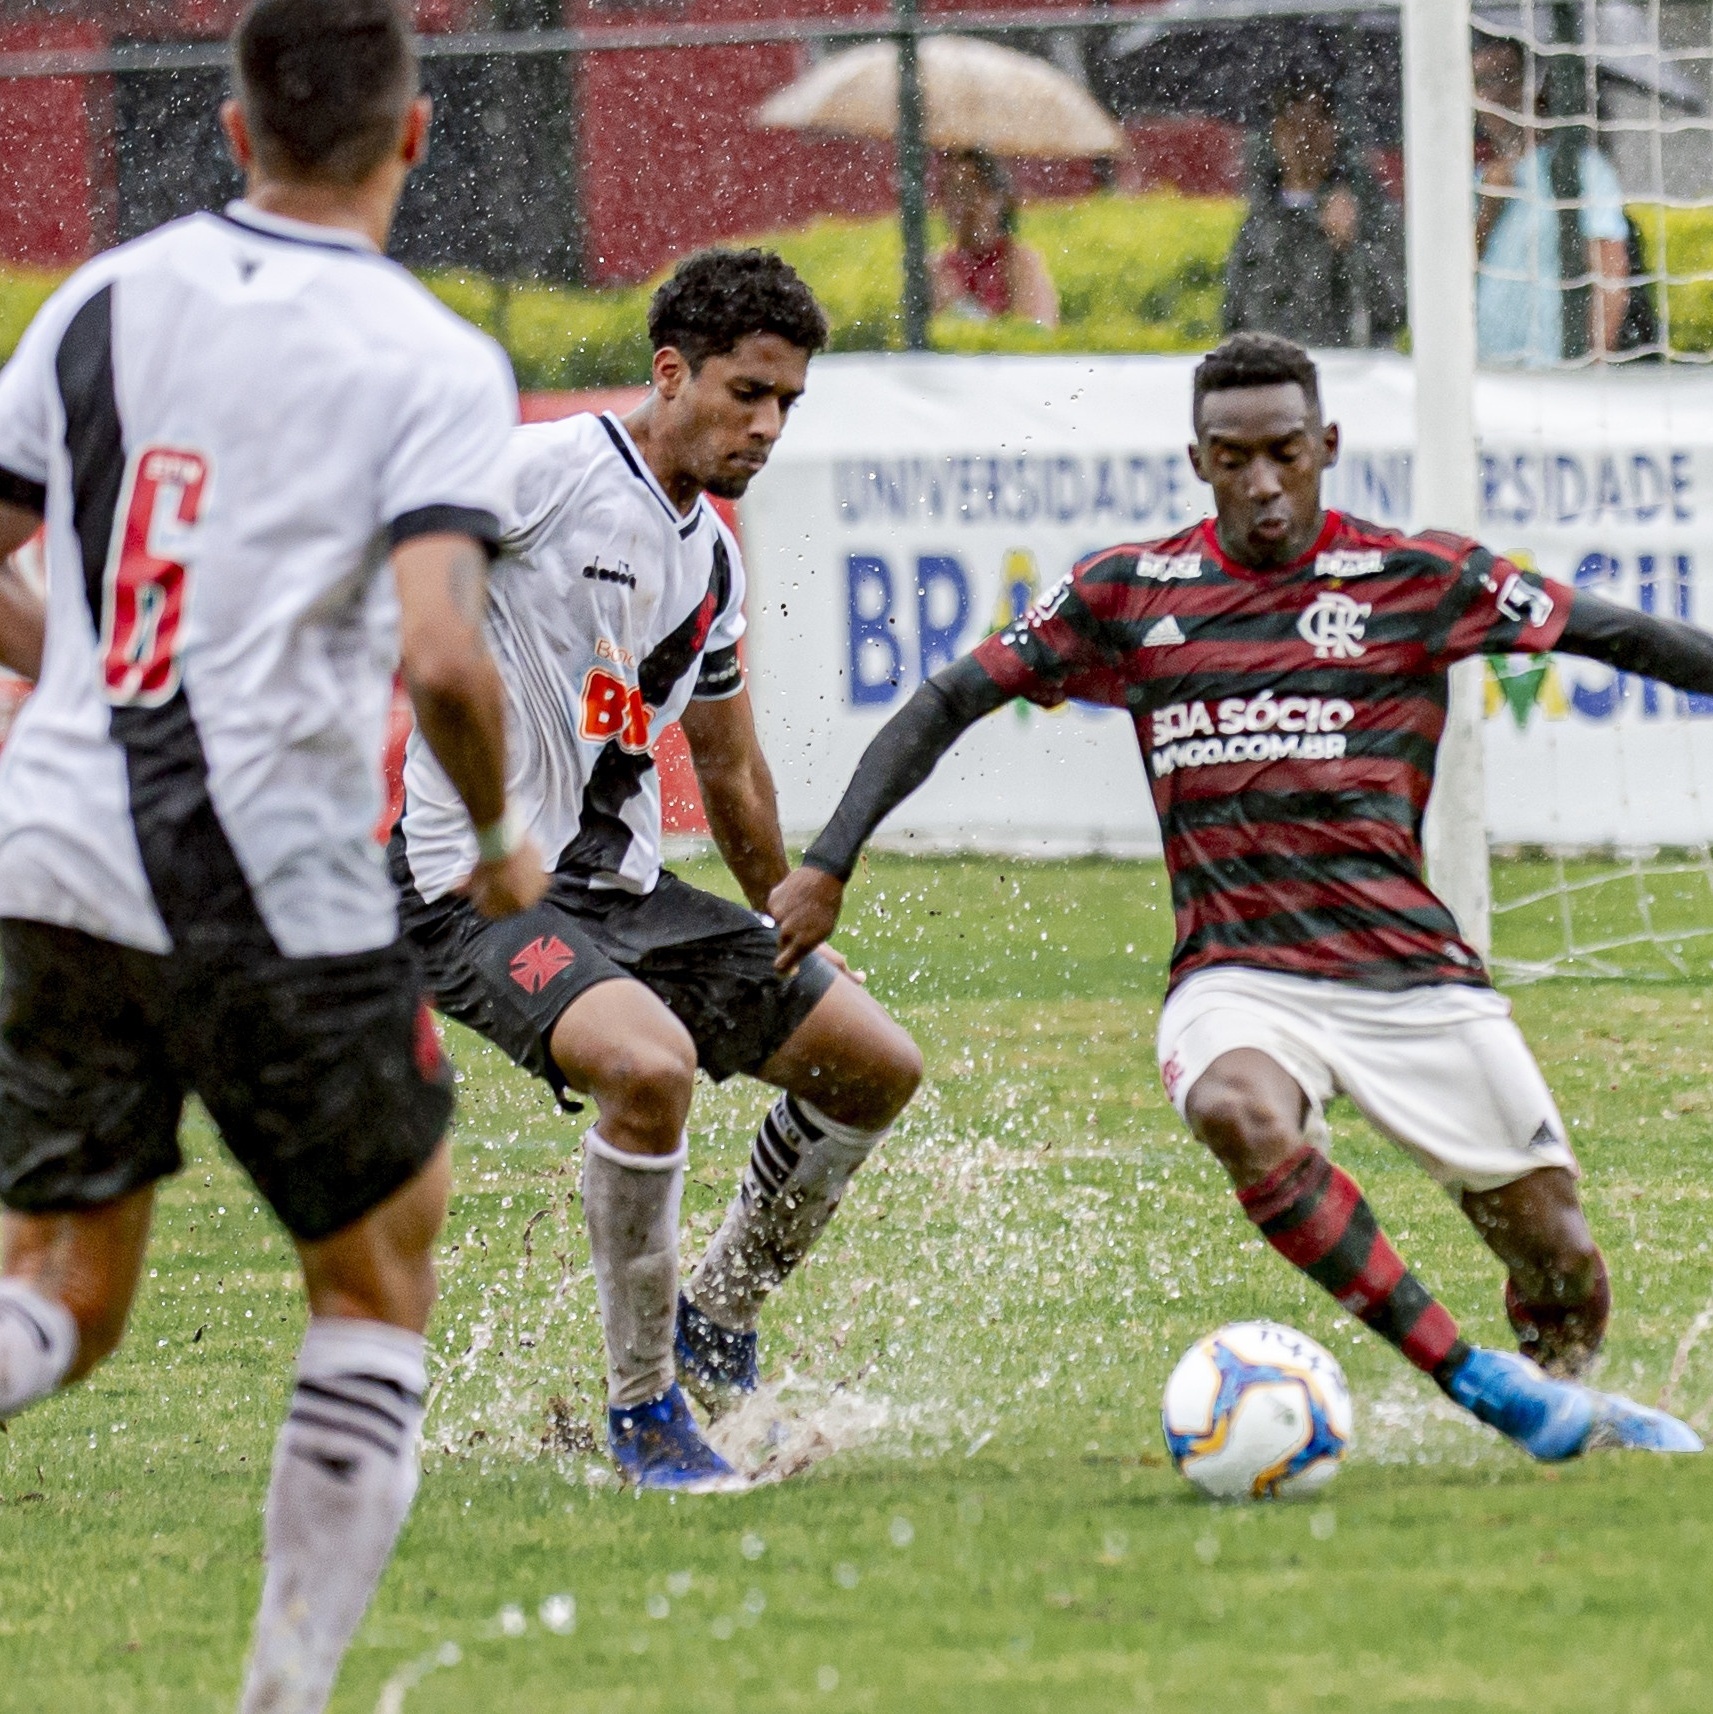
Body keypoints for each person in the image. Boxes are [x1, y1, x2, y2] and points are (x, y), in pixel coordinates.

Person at [769, 329, 1713, 1463]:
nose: (1261, 483)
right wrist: (829, 859)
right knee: (1237, 1111)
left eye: (1283, 453)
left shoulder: (1418, 577)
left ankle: (1563, 1394)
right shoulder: (1131, 591)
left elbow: (1616, 632)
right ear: (1197, 458)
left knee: (1559, 1263)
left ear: (1327, 445)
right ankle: (1481, 1385)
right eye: (1232, 458)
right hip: (1238, 977)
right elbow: (946, 700)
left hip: (1410, 976)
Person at [0, 4, 547, 1710]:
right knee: (380, 1264)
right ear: (419, 137)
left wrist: (82, 671)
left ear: (232, 133)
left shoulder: (98, 298)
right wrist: (505, 839)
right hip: (260, 873)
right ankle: (283, 1693)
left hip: (55, 848)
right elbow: (447, 656)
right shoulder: (429, 357)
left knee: (68, 1296)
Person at [389, 248, 923, 1490]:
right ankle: (645, 1418)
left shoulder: (715, 560)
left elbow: (729, 773)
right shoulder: (544, 473)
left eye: (787, 401)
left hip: (627, 902)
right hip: (472, 891)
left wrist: (787, 912)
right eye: (747, 392)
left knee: (873, 1065)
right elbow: (405, 586)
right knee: (648, 1065)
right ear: (670, 372)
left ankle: (718, 1314)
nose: (768, 425)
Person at [1473, 36, 1631, 366]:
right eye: (1483, 82)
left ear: (1535, 84)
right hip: (1484, 372)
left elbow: (1610, 270)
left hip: (1552, 373)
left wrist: (1597, 363)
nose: (1497, 92)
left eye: (1507, 75)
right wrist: (1490, 207)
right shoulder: (1475, 179)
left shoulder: (1582, 170)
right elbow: (1452, 281)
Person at [1223, 84, 1406, 349]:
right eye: (1292, 124)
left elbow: (1396, 308)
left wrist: (1351, 245)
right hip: (1274, 372)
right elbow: (1233, 316)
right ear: (1275, 133)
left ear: (1335, 130)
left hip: (1348, 371)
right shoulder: (1261, 218)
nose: (1303, 137)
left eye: (1316, 122)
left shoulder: (1369, 209)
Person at [931, 149, 1060, 328]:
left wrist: (958, 306)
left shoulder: (1019, 261)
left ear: (1000, 199)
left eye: (972, 190)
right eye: (953, 192)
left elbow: (1036, 332)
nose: (963, 204)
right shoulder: (938, 267)